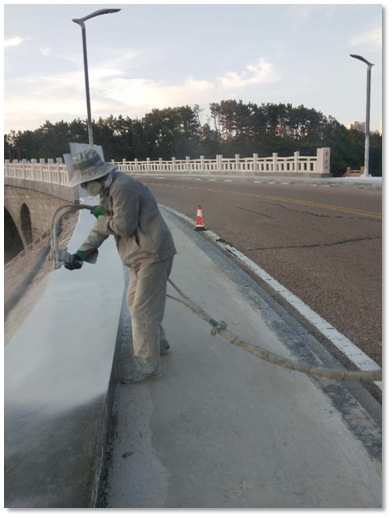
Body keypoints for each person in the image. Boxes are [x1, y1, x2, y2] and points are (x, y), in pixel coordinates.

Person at [66, 149, 177, 384]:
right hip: (139, 255)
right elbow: (101, 227)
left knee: (143, 311)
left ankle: (148, 368)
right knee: (136, 304)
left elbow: (124, 227)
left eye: (86, 183)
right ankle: (159, 345)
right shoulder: (108, 192)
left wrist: (102, 215)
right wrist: (80, 254)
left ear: (95, 177)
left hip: (152, 254)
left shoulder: (122, 186)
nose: (85, 189)